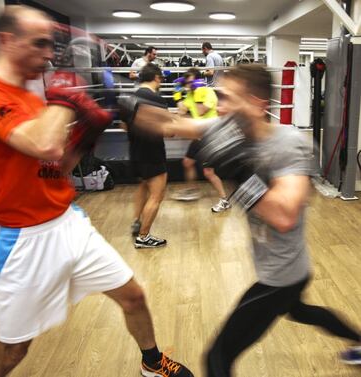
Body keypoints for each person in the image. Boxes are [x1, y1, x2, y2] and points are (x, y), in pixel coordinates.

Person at [0, 6, 193, 377]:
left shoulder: (29, 98)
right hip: (23, 240)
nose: (49, 55)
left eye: (52, 46)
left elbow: (54, 168)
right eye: (40, 44)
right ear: (6, 40)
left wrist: (85, 138)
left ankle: (151, 363)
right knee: (11, 352)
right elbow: (43, 144)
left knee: (133, 296)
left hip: (68, 224)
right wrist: (67, 99)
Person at [127, 64, 361, 376]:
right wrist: (132, 106)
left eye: (227, 98)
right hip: (286, 266)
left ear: (257, 103)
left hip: (281, 276)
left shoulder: (288, 144)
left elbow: (285, 217)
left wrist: (239, 171)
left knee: (217, 359)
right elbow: (171, 124)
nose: (219, 105)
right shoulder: (228, 128)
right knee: (301, 312)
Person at [172, 68, 230, 212]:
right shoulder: (191, 94)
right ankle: (192, 189)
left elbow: (200, 111)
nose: (189, 85)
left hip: (211, 135)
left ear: (198, 81)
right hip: (199, 136)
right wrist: (178, 93)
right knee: (187, 162)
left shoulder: (208, 92)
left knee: (208, 172)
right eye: (187, 82)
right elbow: (181, 110)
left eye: (192, 82)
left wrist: (197, 93)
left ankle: (224, 200)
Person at [126, 63, 168, 248]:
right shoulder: (156, 99)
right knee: (156, 196)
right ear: (157, 78)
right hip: (153, 151)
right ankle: (143, 237)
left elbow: (124, 127)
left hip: (134, 150)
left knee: (143, 187)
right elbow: (169, 131)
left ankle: (137, 220)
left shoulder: (128, 98)